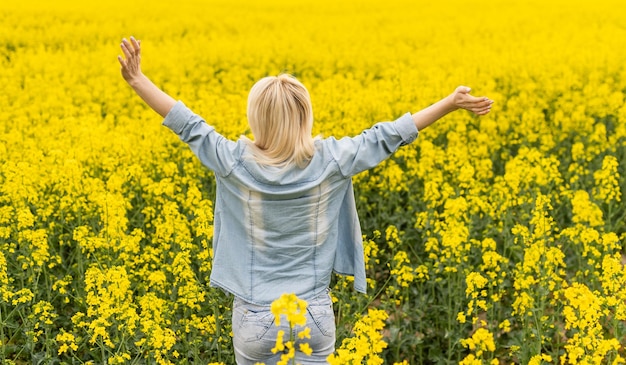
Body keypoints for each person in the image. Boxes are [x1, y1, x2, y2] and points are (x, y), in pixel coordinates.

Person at [118, 36, 493, 364]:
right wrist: (449, 103)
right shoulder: (331, 160)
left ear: (256, 117)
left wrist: (136, 79)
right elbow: (388, 136)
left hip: (255, 318)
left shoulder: (232, 162)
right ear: (305, 116)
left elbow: (186, 123)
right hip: (312, 314)